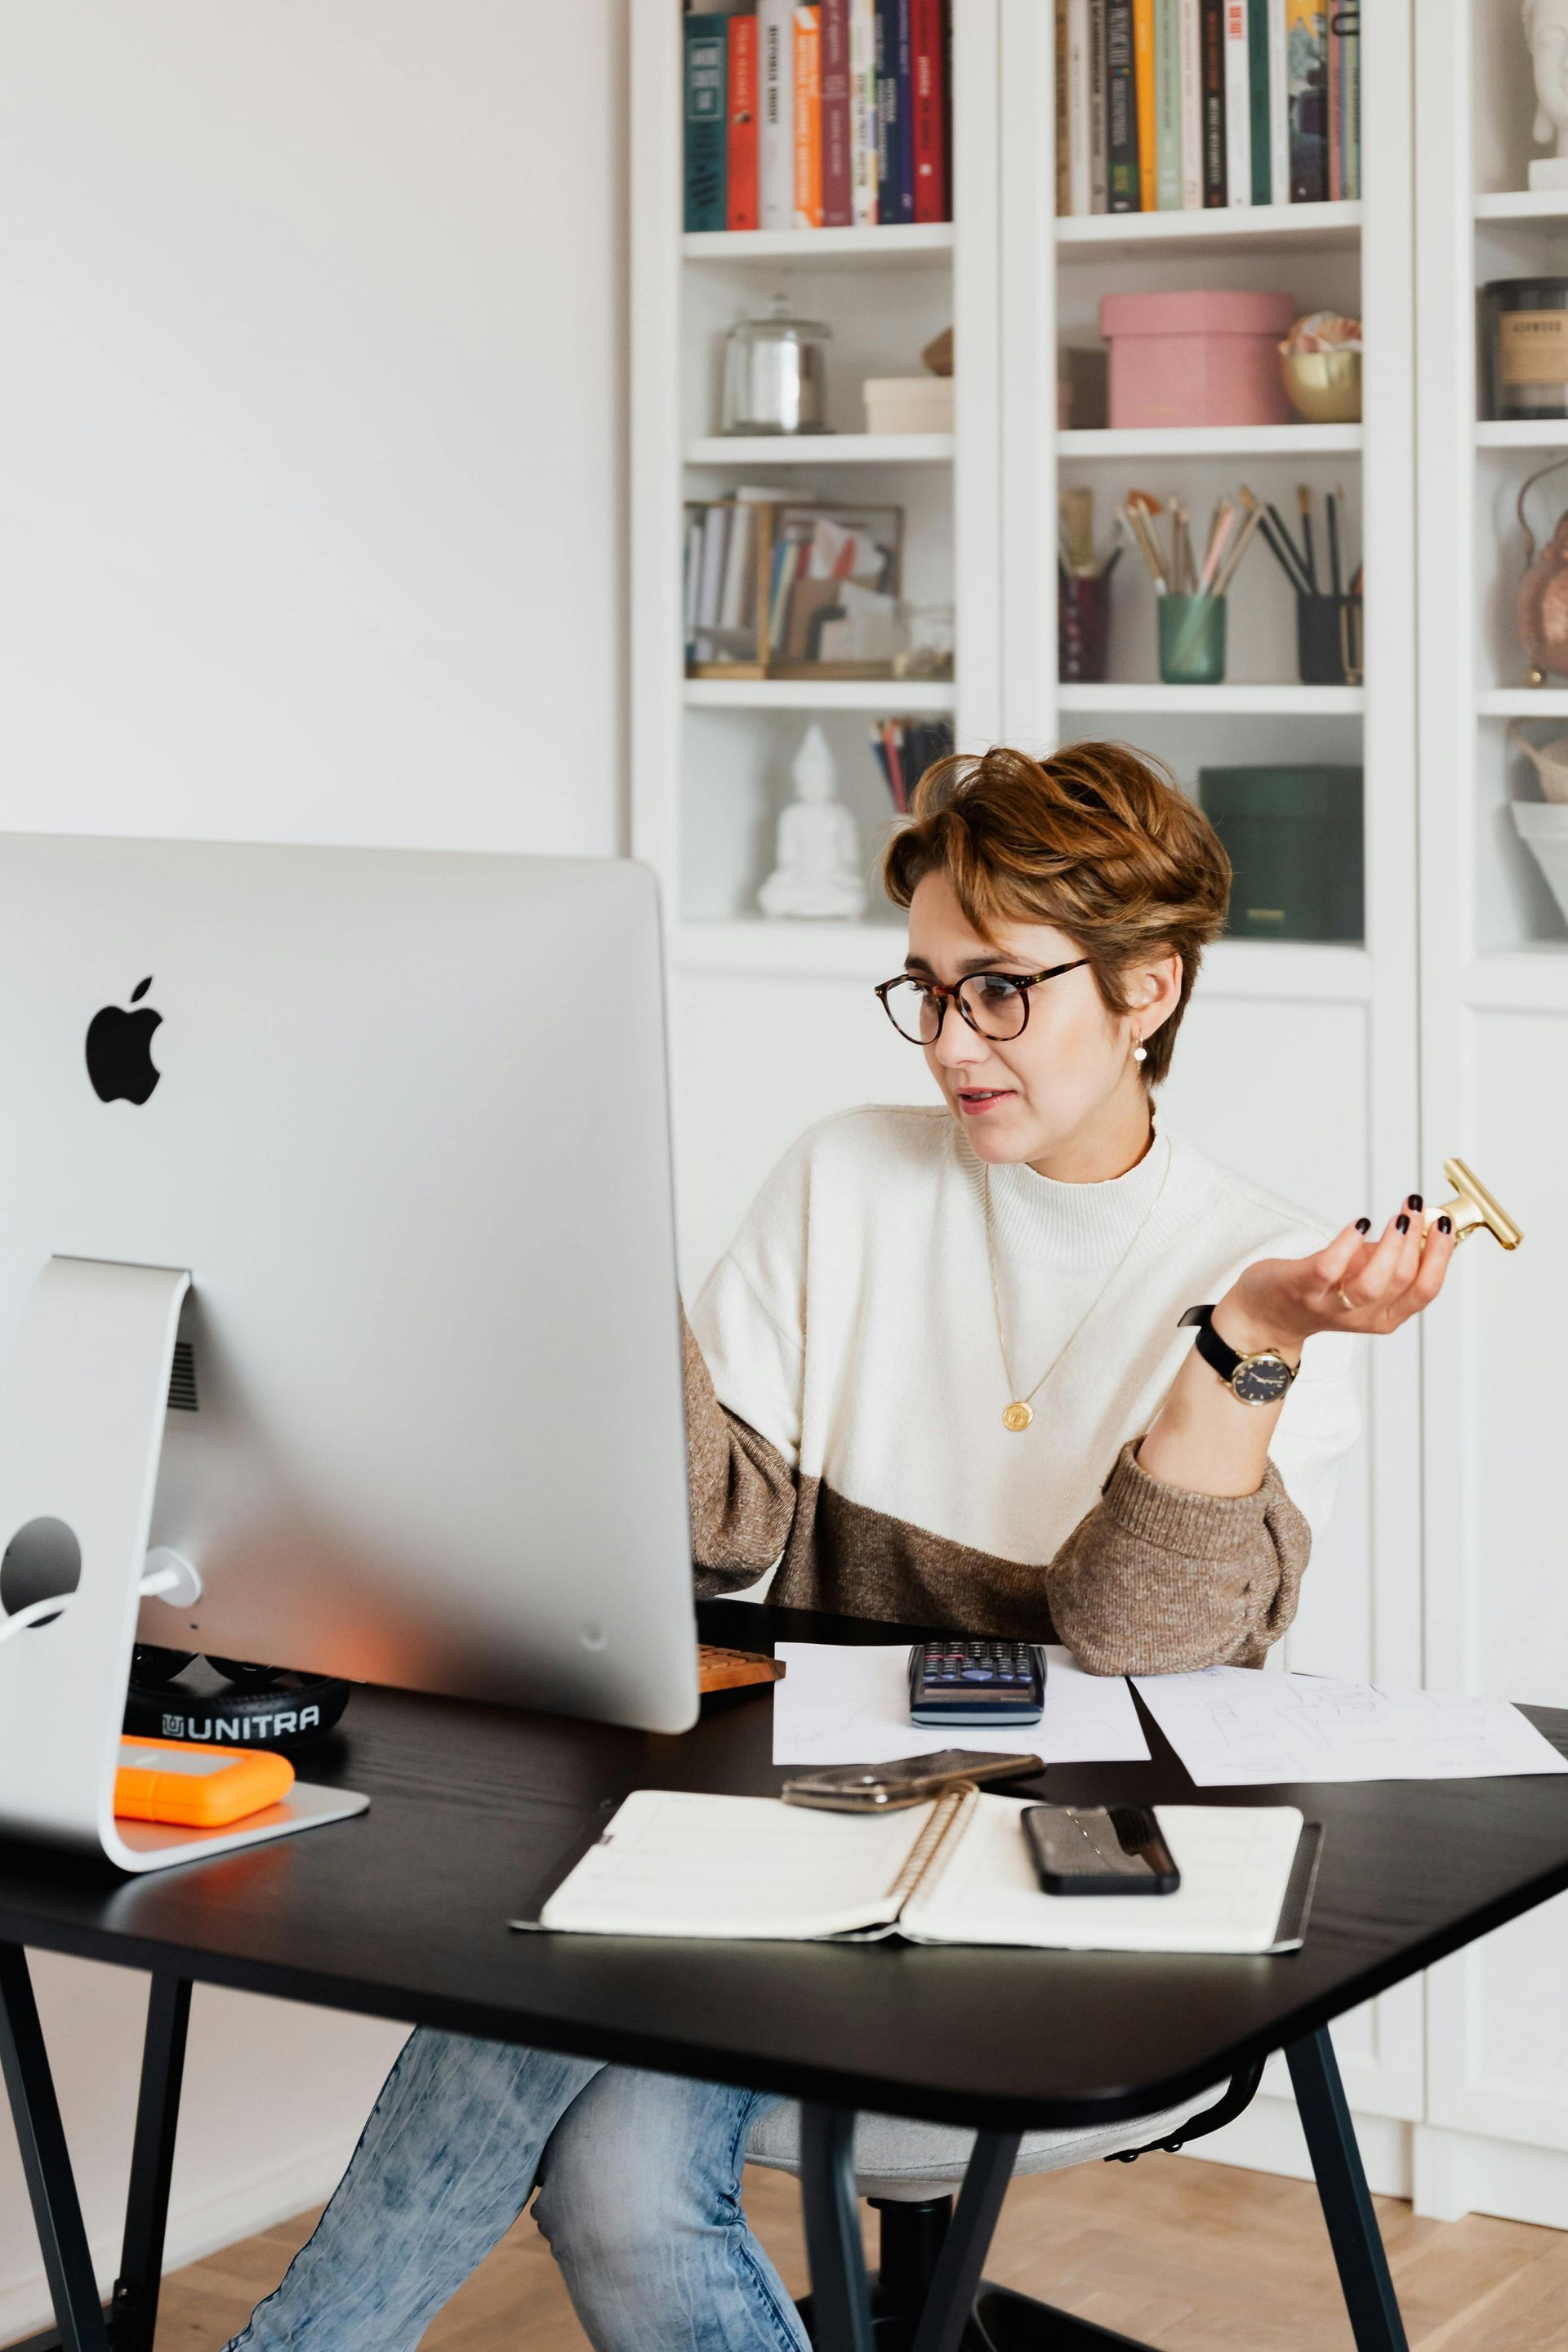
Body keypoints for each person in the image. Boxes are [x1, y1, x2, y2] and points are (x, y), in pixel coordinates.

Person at [221, 743, 1454, 2352]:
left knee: (594, 2123)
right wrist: (599, 1248)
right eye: (927, 990)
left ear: (1150, 990)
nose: (953, 1041)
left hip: (1067, 1891)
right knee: (607, 2162)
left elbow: (1143, 1655)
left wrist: (1244, 1336)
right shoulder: (849, 1177)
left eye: (1001, 991)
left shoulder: (1281, 1274)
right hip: (791, 1831)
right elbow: (721, 1524)